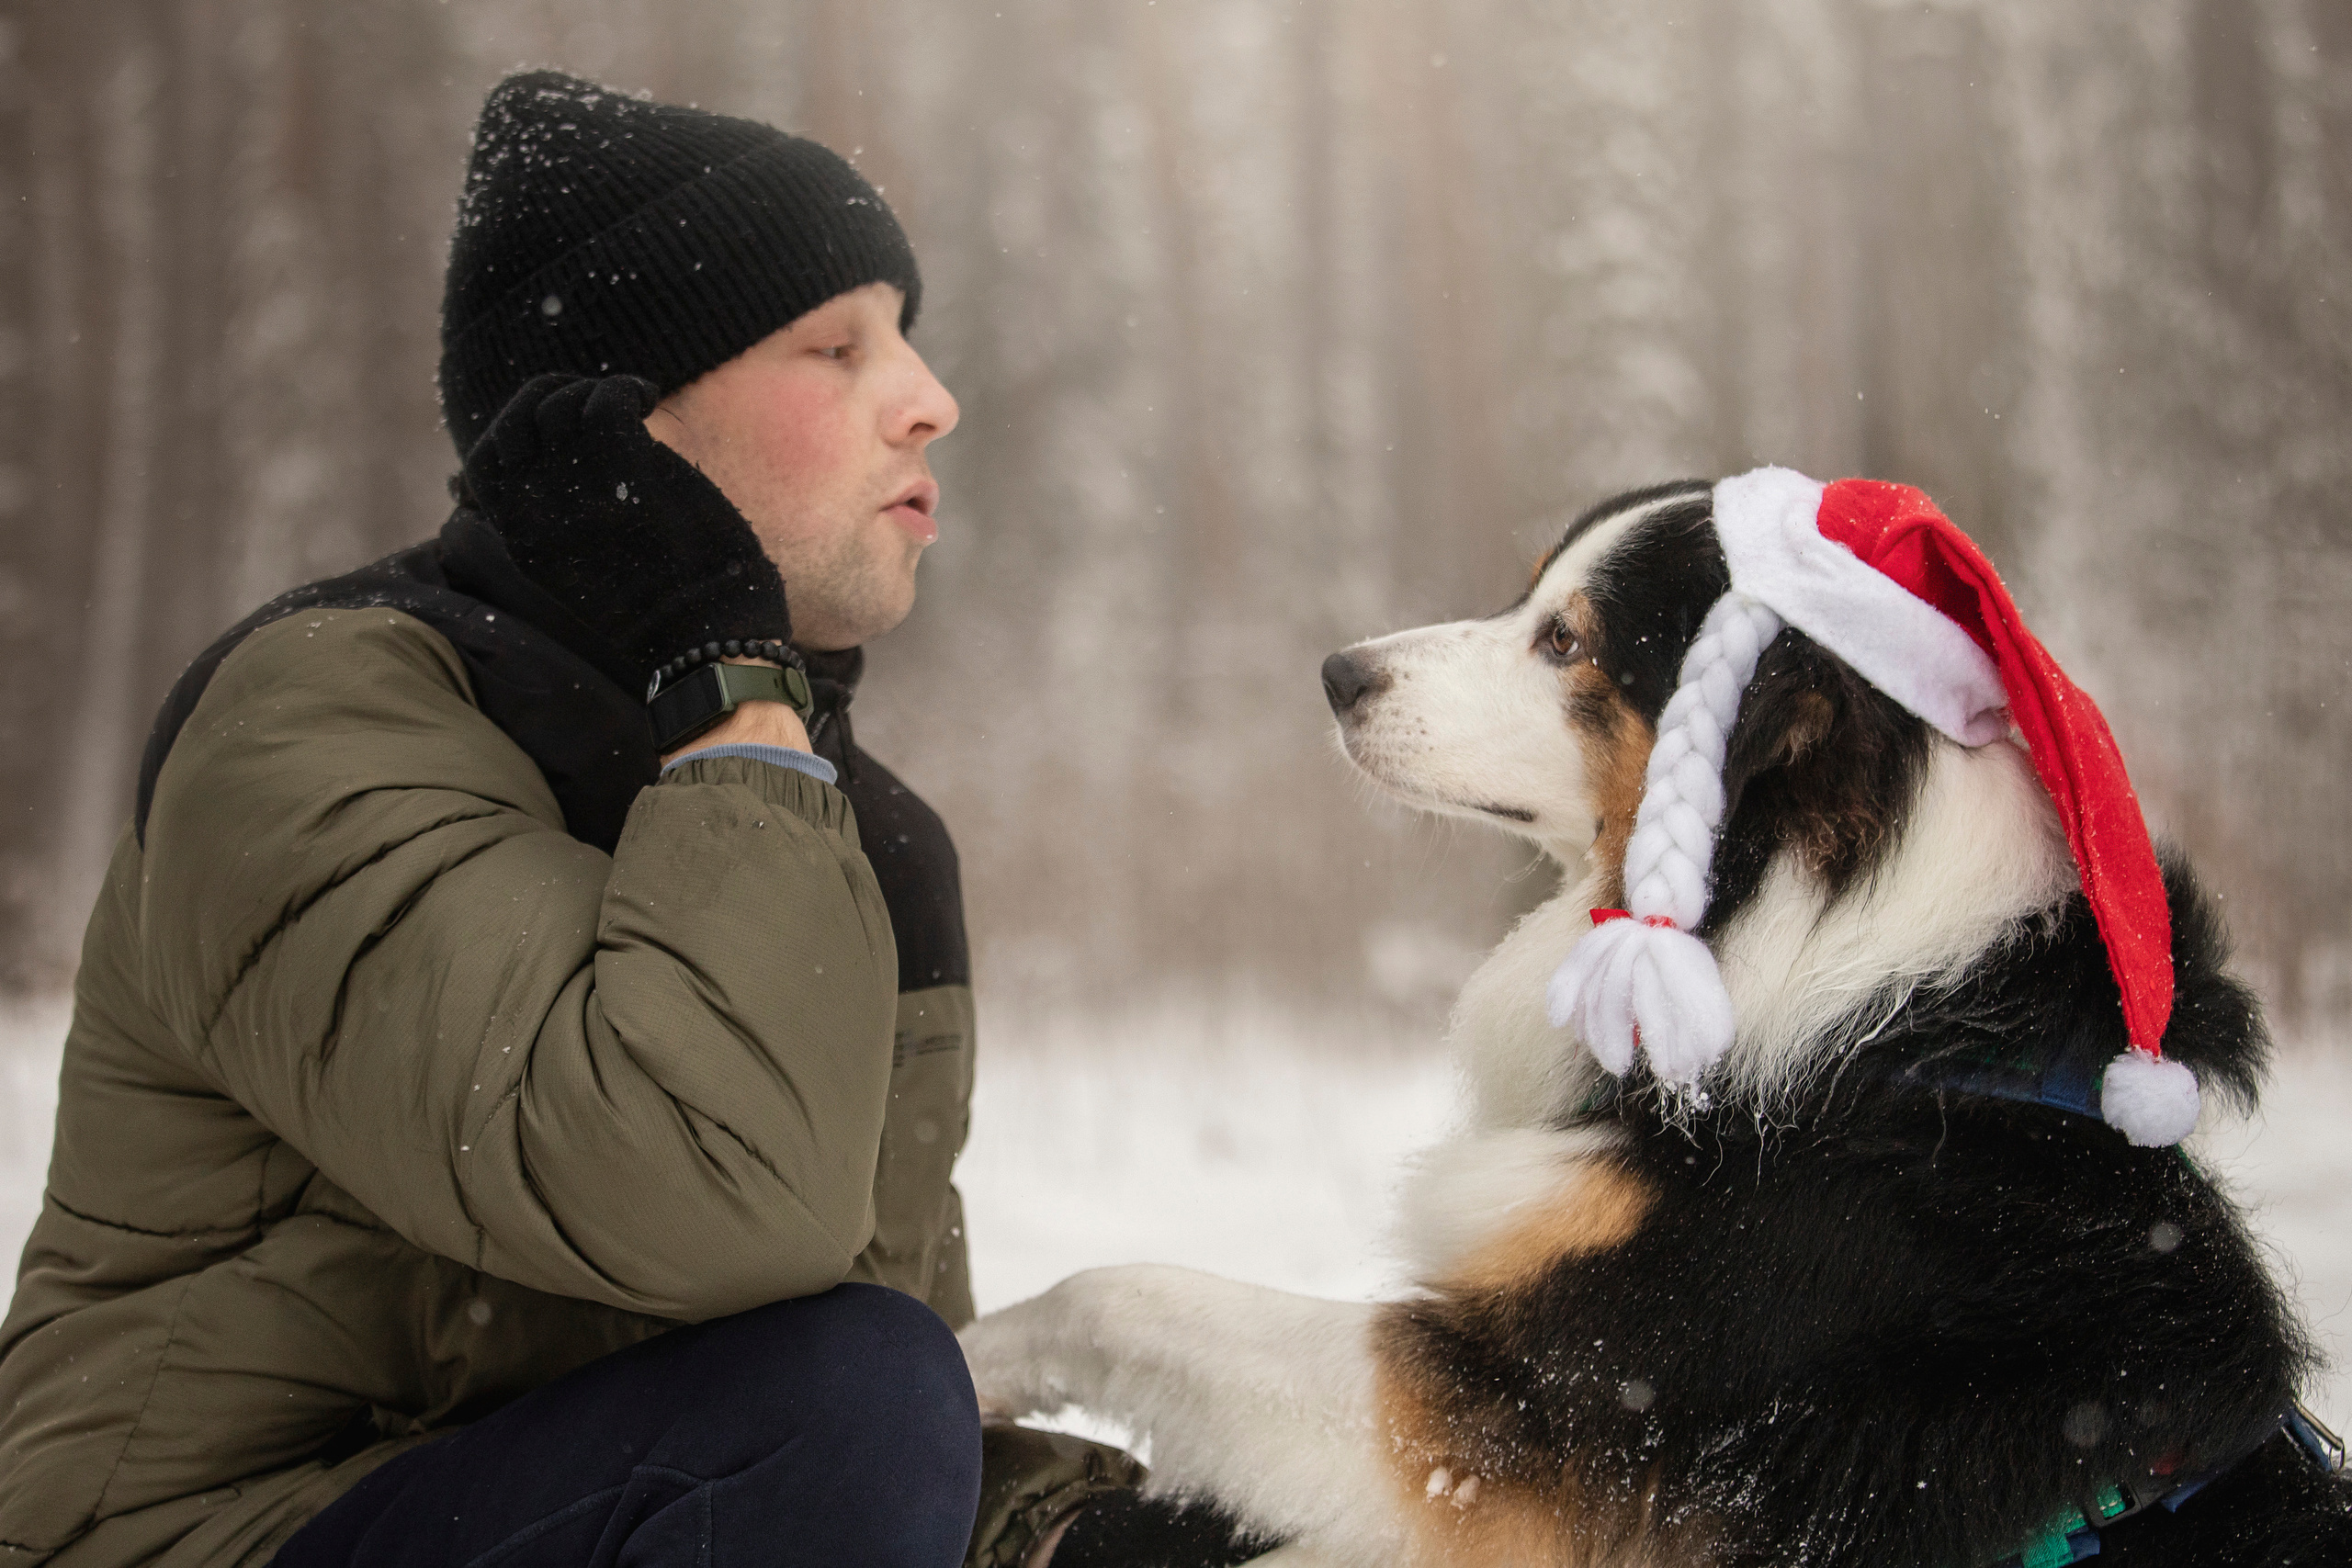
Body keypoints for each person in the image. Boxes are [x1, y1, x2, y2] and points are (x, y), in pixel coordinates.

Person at [0, 70, 1238, 1568]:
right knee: (854, 1396)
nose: (930, 400)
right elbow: (725, 1213)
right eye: (836, 347)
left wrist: (1075, 1534)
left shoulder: (851, 830)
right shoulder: (318, 720)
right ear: (623, 434)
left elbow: (832, 1424)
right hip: (209, 1541)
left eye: (907, 339)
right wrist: (731, 678)